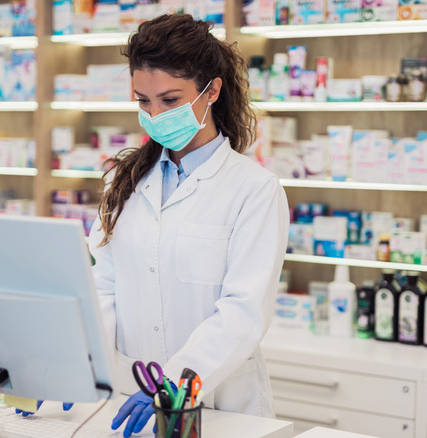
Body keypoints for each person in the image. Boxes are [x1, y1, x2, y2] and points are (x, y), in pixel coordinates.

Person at [87, 13, 290, 438]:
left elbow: (242, 312)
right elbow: (104, 287)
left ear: (211, 90)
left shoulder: (254, 190)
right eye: (143, 101)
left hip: (221, 405)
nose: (155, 115)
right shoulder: (122, 183)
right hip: (130, 400)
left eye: (171, 100)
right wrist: (86, 366)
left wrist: (175, 380)